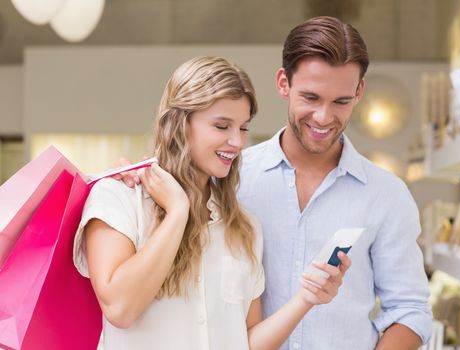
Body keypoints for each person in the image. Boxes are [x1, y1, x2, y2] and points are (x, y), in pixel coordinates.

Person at [119, 16, 432, 349]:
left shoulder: (387, 195)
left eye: (341, 101)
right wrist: (130, 177)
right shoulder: (227, 179)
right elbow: (170, 188)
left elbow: (410, 311)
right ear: (283, 83)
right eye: (311, 98)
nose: (324, 118)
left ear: (359, 92)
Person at [73, 56, 351, 350]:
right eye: (221, 126)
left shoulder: (244, 228)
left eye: (243, 128)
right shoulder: (117, 199)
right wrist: (178, 212)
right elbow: (119, 308)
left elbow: (245, 341)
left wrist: (307, 299)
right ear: (180, 124)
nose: (237, 142)